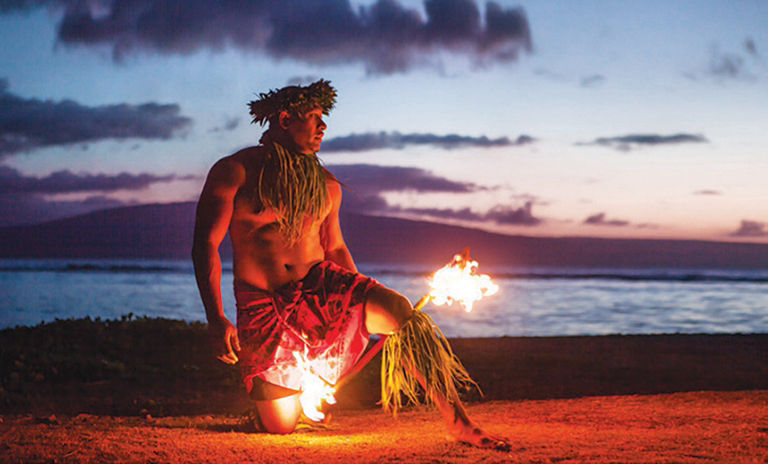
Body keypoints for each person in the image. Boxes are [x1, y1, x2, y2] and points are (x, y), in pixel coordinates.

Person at [192, 80, 508, 450]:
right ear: (283, 119)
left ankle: (459, 421)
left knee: (399, 311)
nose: (323, 127)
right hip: (265, 303)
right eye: (313, 118)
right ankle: (270, 406)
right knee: (280, 426)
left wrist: (357, 312)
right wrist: (216, 317)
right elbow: (205, 246)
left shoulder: (326, 185)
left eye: (324, 119)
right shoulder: (236, 172)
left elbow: (336, 247)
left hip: (322, 287)